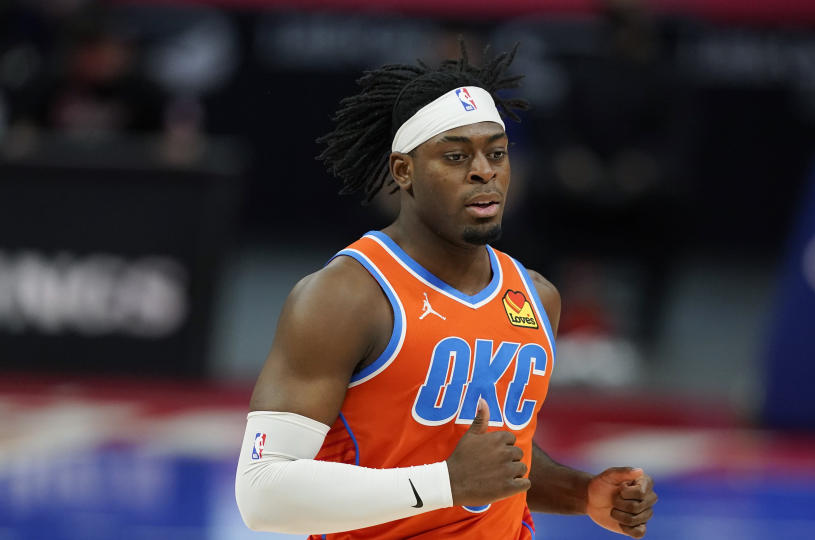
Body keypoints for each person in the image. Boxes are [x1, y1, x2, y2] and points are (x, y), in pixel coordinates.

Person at [234, 43, 658, 539]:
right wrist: (443, 484)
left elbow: (490, 460)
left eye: (496, 153)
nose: (484, 171)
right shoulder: (346, 295)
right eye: (456, 156)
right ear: (403, 171)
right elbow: (262, 494)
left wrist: (581, 493)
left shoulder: (536, 296)